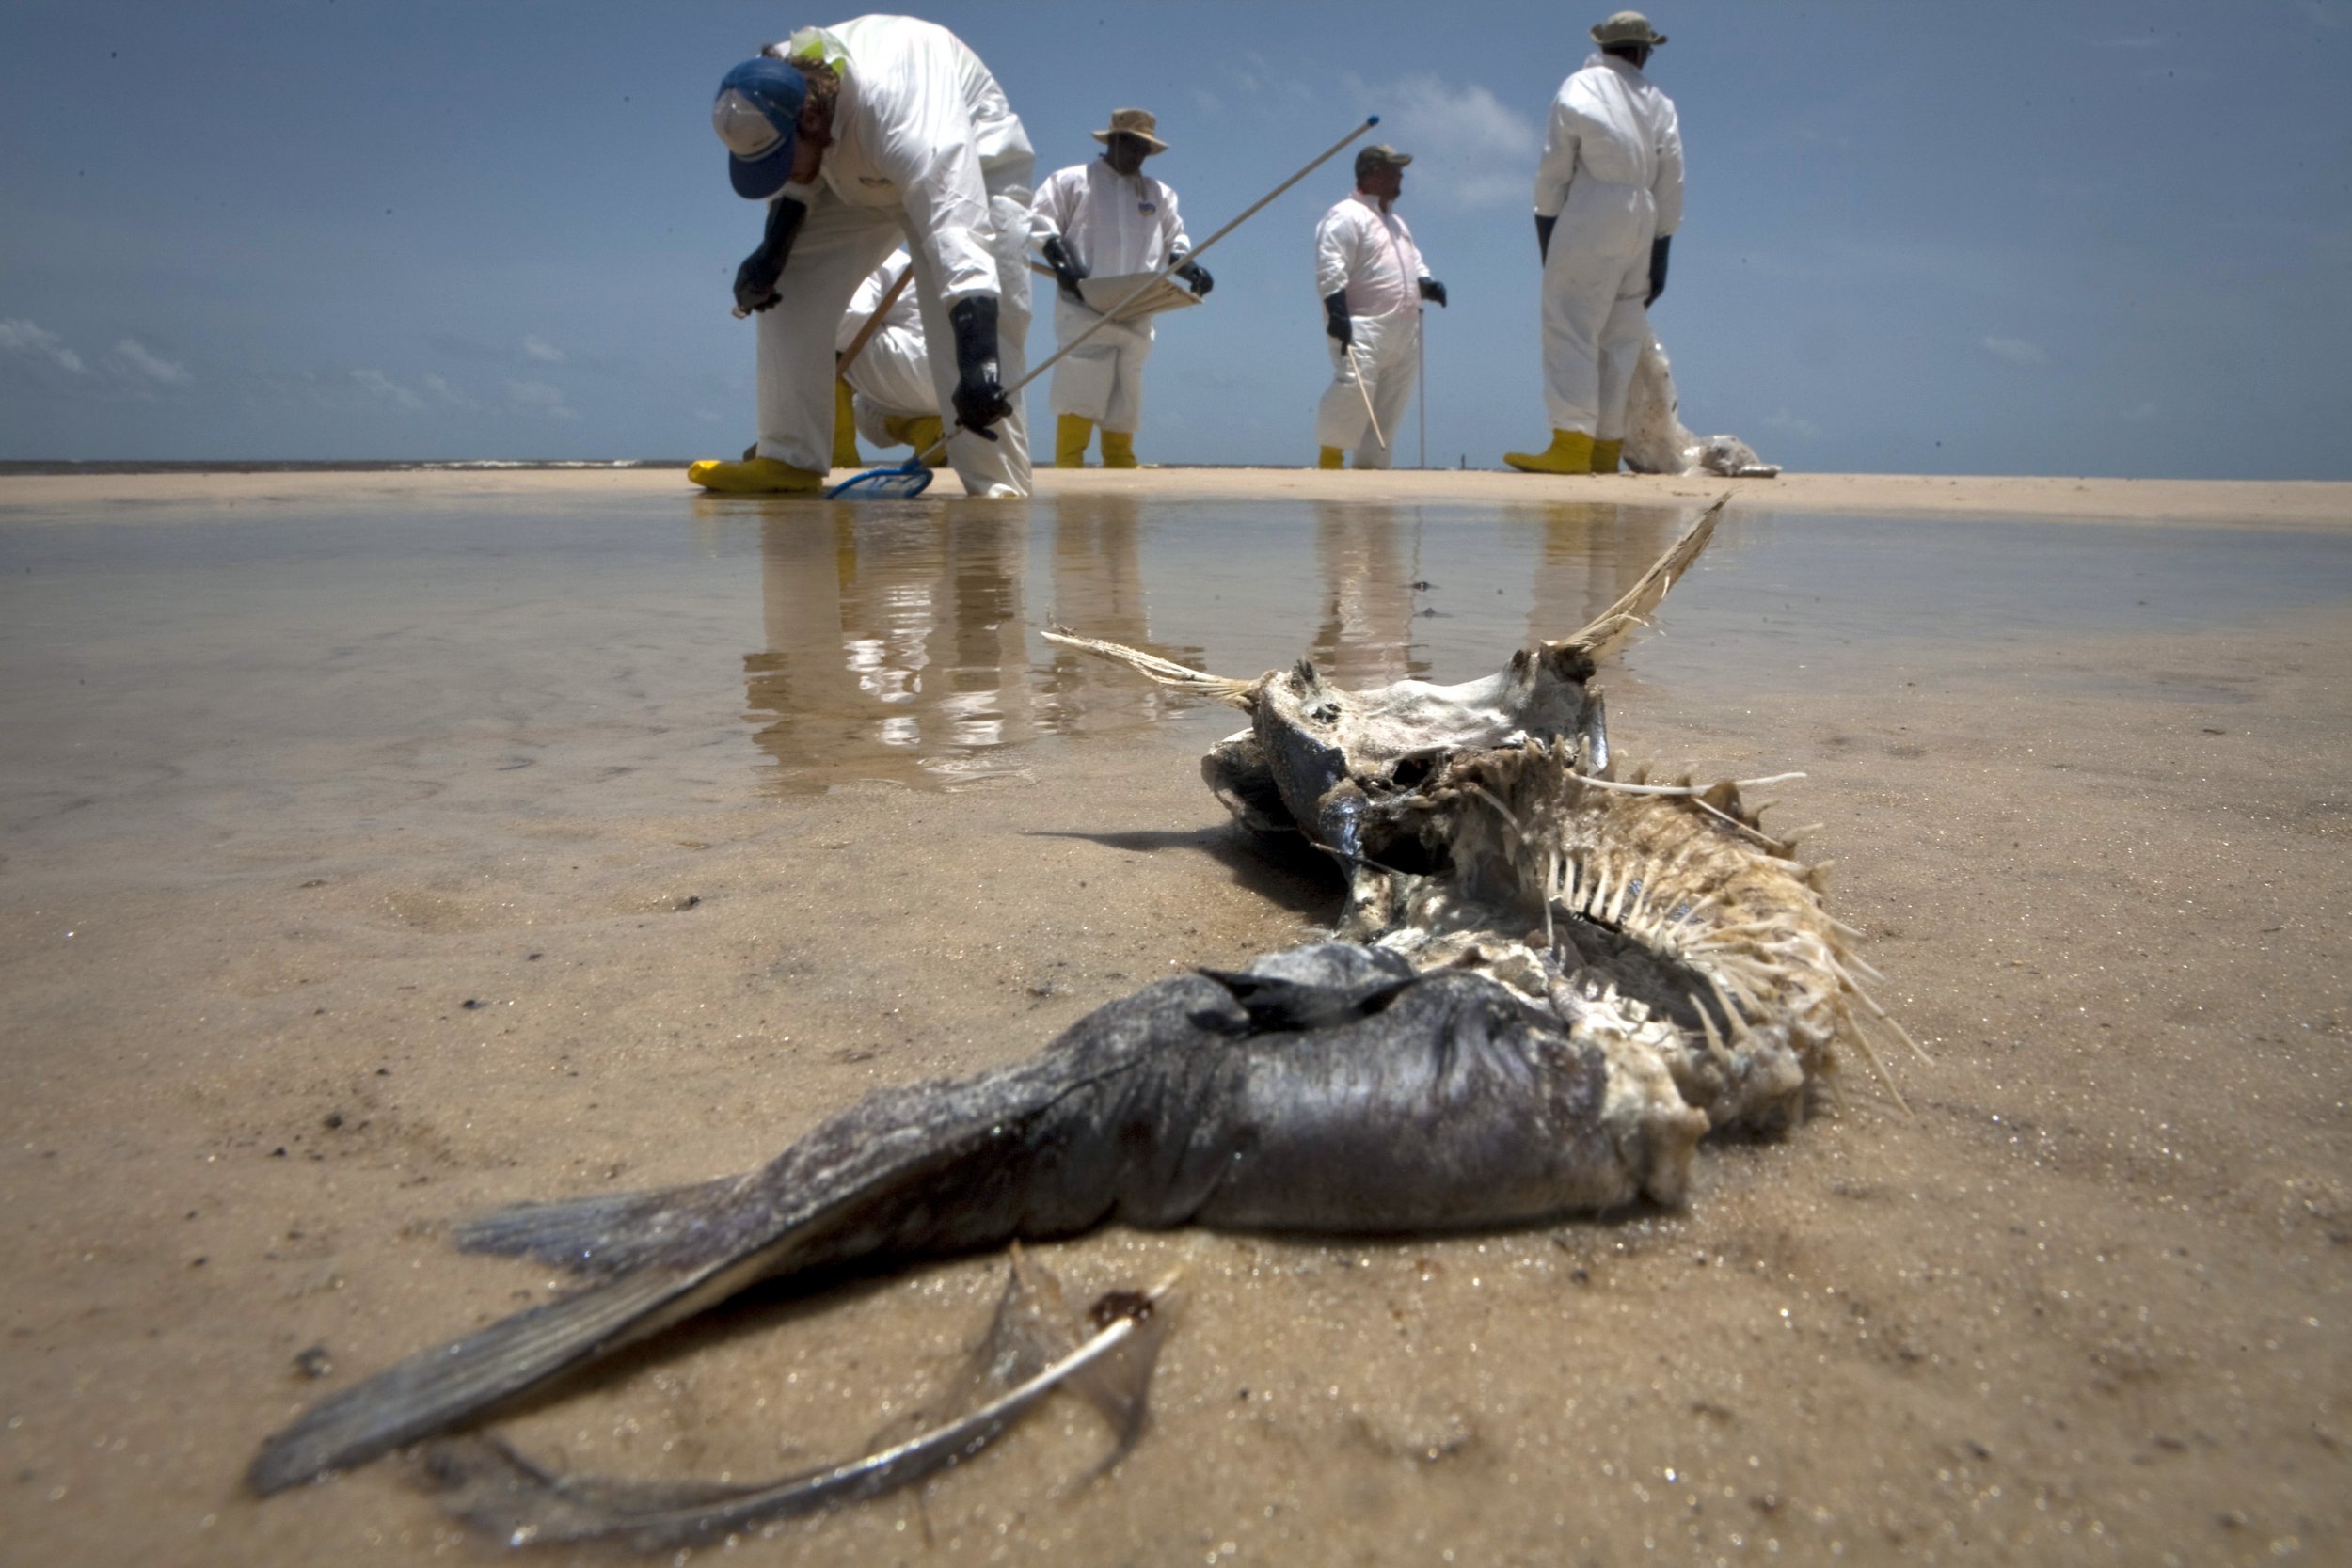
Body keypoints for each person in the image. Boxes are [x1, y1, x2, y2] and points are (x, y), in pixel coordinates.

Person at [691, 17, 1034, 497]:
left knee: (977, 337)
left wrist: (979, 364)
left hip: (972, 161)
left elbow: (958, 229)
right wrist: (770, 256)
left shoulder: (903, 113)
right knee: (790, 283)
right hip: (845, 165)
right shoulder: (782, 91)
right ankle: (789, 459)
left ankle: (997, 487)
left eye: (779, 157)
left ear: (810, 119)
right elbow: (798, 181)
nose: (776, 173)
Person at [1504, 10, 1683, 477]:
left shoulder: (1579, 87)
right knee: (1620, 336)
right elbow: (1672, 181)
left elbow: (1554, 171)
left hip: (1593, 208)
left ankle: (1569, 443)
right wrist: (1661, 249)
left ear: (1603, 46)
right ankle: (1605, 450)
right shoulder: (1660, 102)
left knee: (1571, 324)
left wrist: (1548, 234)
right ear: (1644, 52)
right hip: (1643, 217)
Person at [1030, 108, 1210, 469]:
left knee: (1127, 386)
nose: (1137, 154)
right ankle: (1069, 464)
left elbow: (1176, 240)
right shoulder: (1072, 181)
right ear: (1112, 140)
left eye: (1144, 148)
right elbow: (1039, 221)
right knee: (1081, 378)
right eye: (1130, 144)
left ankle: (1120, 463)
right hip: (1085, 297)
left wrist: (1189, 267)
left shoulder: (1160, 194)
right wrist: (1059, 259)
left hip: (1137, 302)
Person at [1312, 145, 1445, 471]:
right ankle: (1331, 458)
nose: (1400, 177)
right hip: (1362, 325)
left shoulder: (1397, 223)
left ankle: (1372, 470)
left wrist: (1427, 284)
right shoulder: (1345, 215)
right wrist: (1336, 311)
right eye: (1393, 170)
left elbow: (1413, 262)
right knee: (1353, 391)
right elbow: (1331, 265)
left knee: (1391, 405)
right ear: (1372, 173)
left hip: (1404, 330)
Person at [833, 247, 945, 467]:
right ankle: (930, 433)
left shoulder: (863, 251)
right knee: (864, 411)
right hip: (951, 381)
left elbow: (854, 315)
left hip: (913, 363)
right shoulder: (900, 258)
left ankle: (834, 456)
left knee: (817, 336)